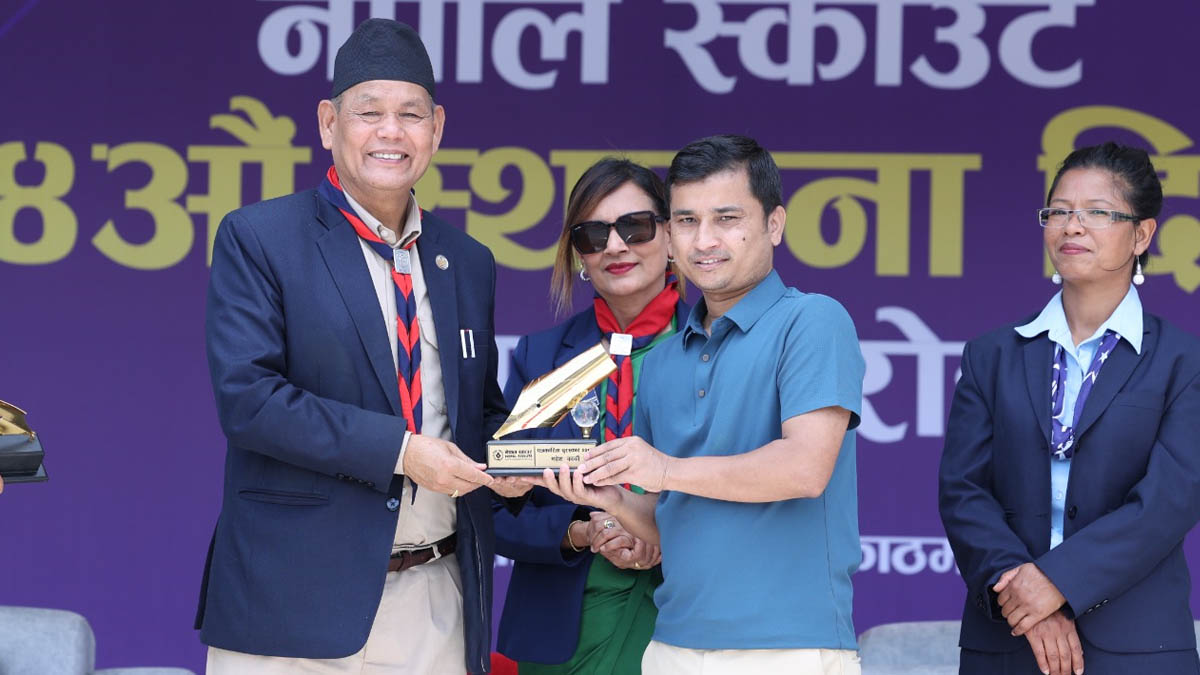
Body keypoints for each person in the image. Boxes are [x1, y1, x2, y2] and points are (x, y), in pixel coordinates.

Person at [197, 18, 527, 674]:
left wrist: (518, 464)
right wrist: (403, 452)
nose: (390, 132)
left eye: (411, 114)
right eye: (368, 112)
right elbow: (249, 400)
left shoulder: (467, 261)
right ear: (328, 123)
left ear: (436, 128)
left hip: (435, 599)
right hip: (291, 604)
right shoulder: (260, 238)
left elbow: (476, 415)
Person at [539, 135, 866, 674]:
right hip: (672, 645)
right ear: (670, 236)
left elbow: (805, 469)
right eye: (687, 221)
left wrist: (664, 469)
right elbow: (671, 522)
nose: (705, 240)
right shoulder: (664, 362)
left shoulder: (812, 320)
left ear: (775, 224)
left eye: (727, 218)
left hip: (790, 646)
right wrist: (614, 499)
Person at [939, 142, 1200, 675]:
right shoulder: (991, 355)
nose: (1072, 226)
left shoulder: (1183, 363)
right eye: (1058, 211)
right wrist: (1025, 596)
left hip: (1138, 648)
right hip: (1009, 638)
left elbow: (1168, 502)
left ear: (1142, 235)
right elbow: (963, 491)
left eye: (1097, 212)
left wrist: (1057, 582)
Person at [493, 158, 688, 673]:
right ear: (578, 253)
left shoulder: (717, 350)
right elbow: (492, 510)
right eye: (593, 234)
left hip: (687, 621)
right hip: (564, 631)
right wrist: (581, 529)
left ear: (671, 236)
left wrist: (659, 531)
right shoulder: (544, 358)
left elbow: (748, 493)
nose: (616, 246)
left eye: (635, 227)